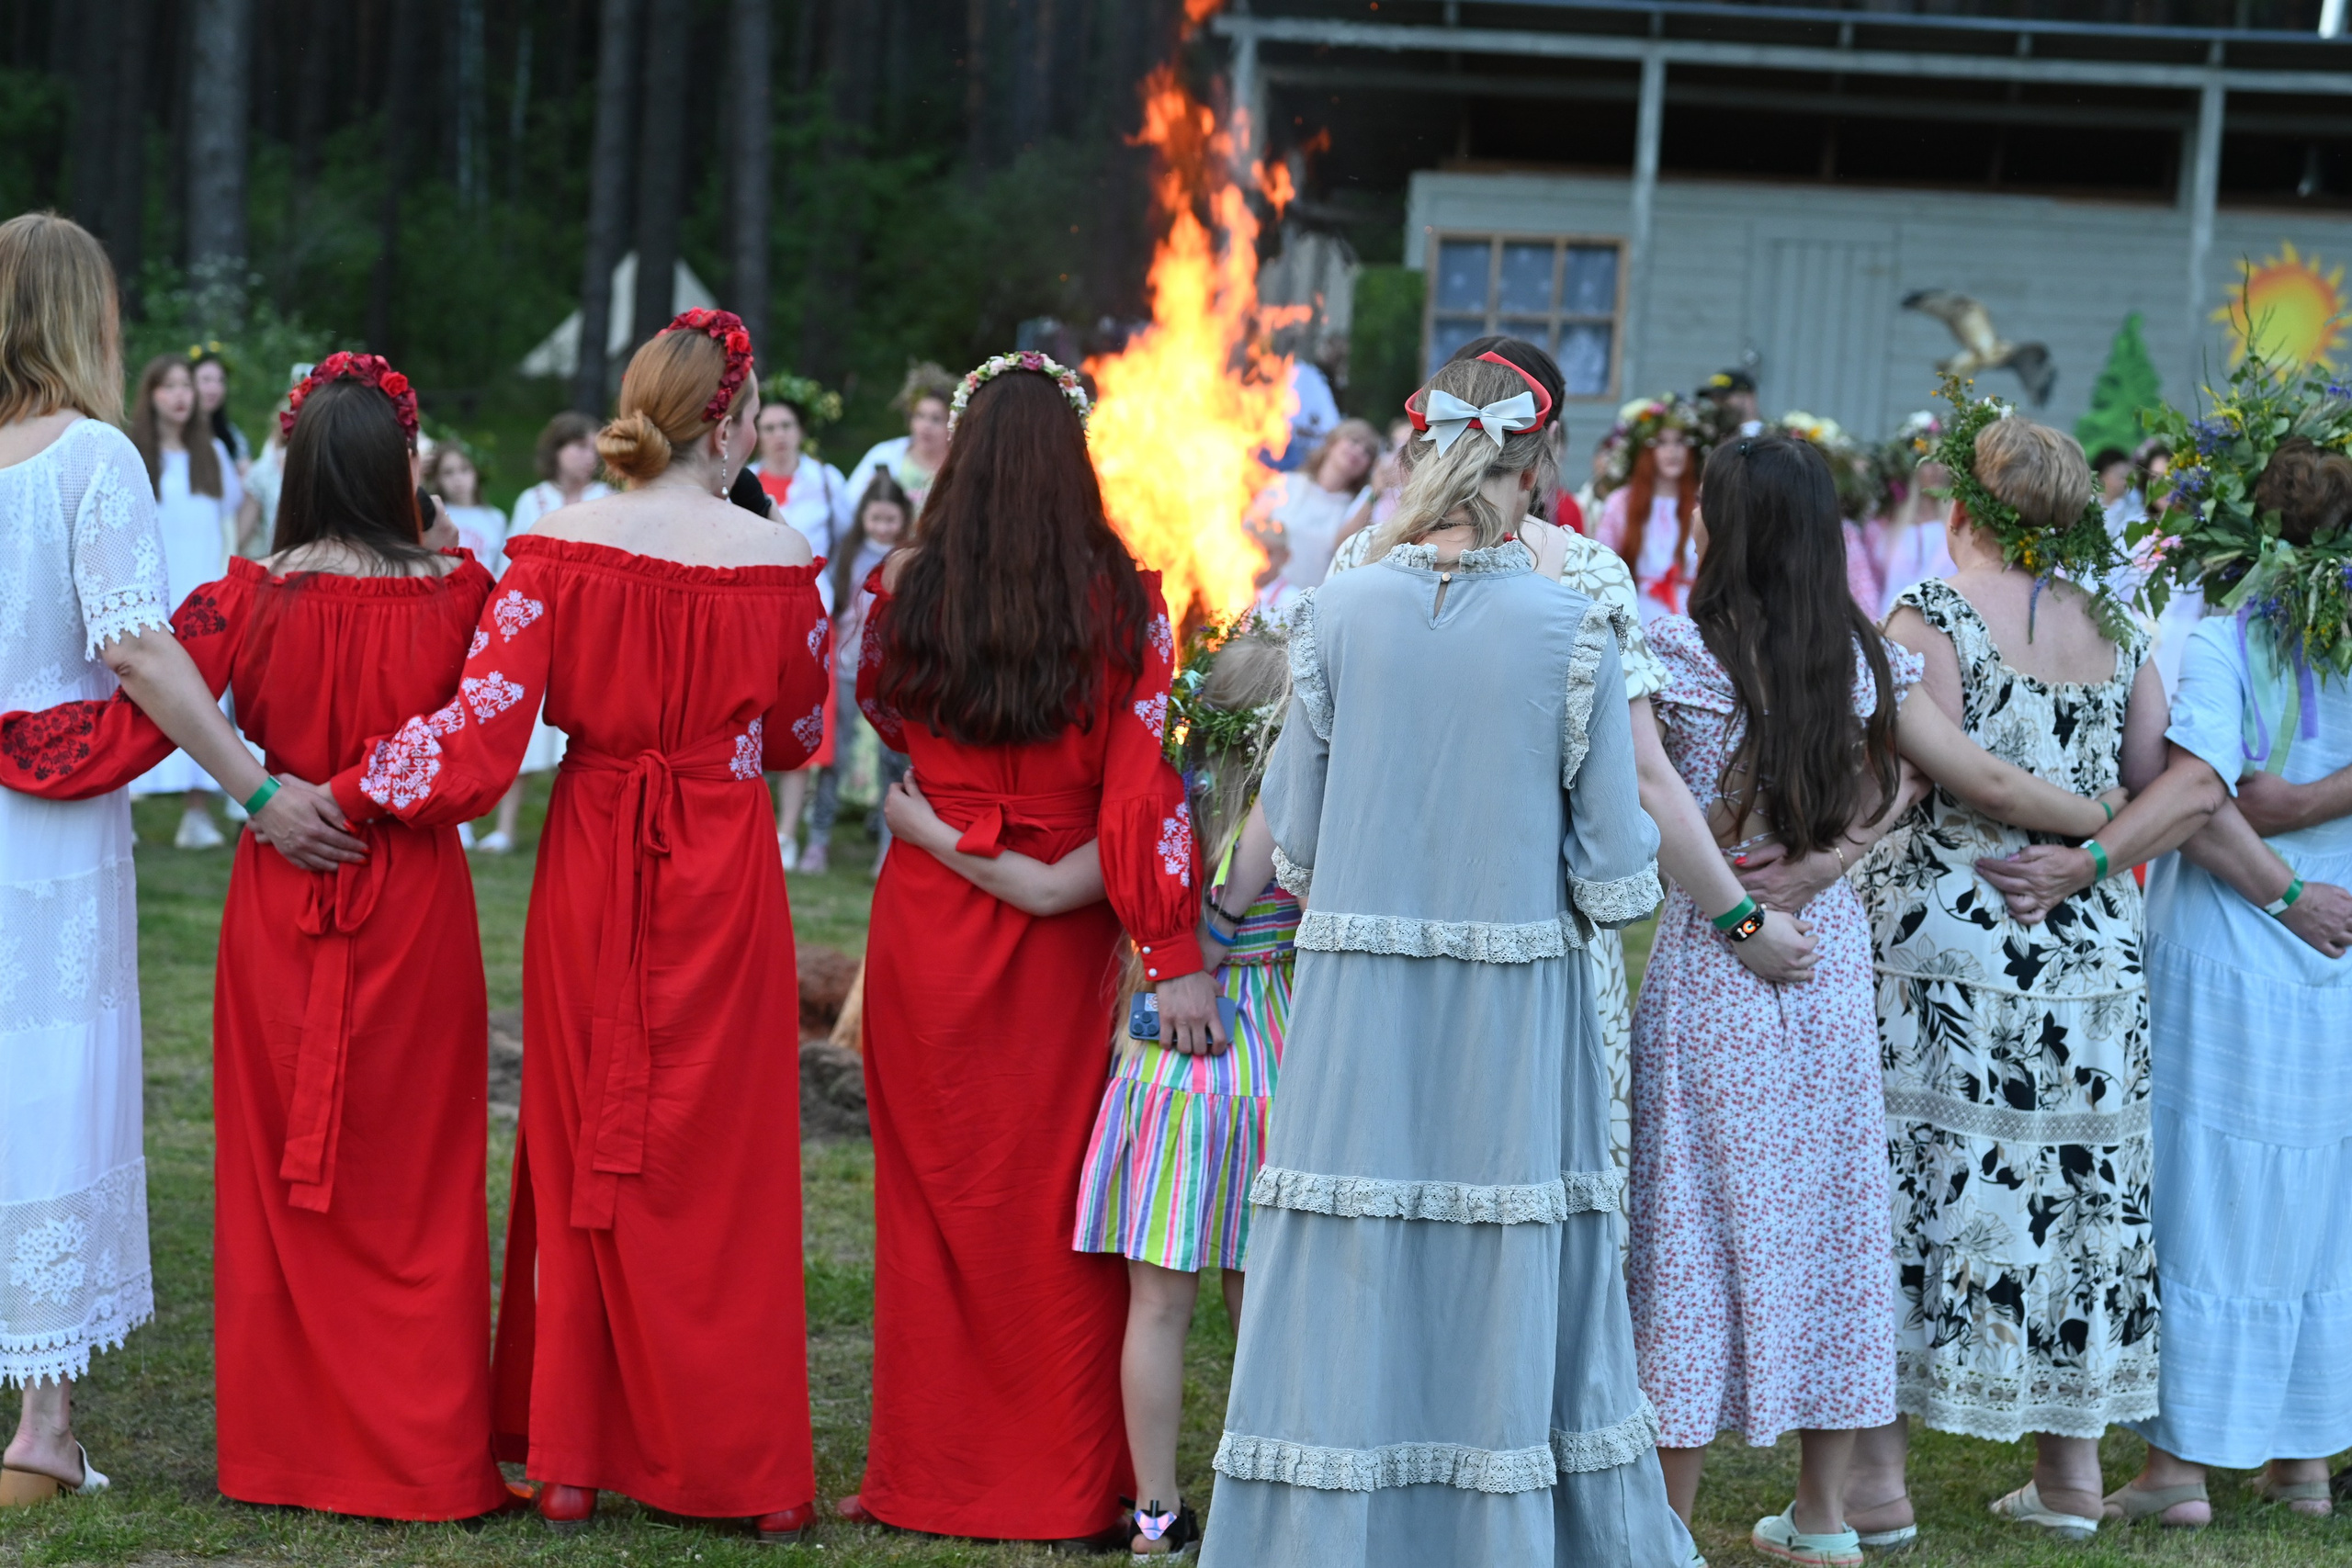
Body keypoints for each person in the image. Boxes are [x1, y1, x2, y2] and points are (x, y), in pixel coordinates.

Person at [321, 310, 828, 1540]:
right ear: (735, 414)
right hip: (720, 852)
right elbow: (803, 732)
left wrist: (344, 788)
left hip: (599, 849)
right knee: (725, 1152)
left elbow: (485, 729)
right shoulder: (786, 557)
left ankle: (570, 1457)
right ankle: (744, 1466)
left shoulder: (554, 547)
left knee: (580, 1132)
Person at [1, 355, 520, 1518]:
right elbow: (489, 747)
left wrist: (11, 736)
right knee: (423, 1174)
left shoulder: (242, 596)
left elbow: (120, 731)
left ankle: (285, 1451)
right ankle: (427, 1456)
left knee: (277, 1179)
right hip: (413, 900)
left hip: (282, 895)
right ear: (402, 466)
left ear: (289, 463)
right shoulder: (467, 594)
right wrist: (373, 794)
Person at [1198, 354, 1692, 1568]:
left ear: (1418, 459)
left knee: (1357, 1255)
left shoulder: (1335, 607)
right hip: (1512, 991)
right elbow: (1619, 865)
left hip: (1360, 995)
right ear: (1541, 463)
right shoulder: (1573, 622)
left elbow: (1298, 835)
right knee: (1499, 1257)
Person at [1629, 434, 2123, 1565]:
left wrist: (1748, 893)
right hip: (1831, 958)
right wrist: (1831, 862)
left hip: (1722, 951)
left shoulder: (1675, 648)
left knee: (1692, 1226)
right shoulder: (1858, 658)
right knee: (1837, 1221)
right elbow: (1900, 784)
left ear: (1717, 524)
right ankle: (1821, 1519)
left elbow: (1655, 813)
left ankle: (1660, 1525)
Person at [0, 212, 349, 1508]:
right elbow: (139, 648)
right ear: (85, 317)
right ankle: (41, 1424)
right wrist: (255, 785)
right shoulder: (94, 456)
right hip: (40, 825)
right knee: (43, 1065)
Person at [846, 353, 1209, 1547]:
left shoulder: (905, 589)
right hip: (1062, 939)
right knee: (1062, 1208)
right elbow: (1145, 794)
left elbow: (886, 724)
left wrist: (933, 826)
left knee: (936, 1205)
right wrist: (1144, 926)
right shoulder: (1126, 603)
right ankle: (1059, 1478)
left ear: (959, 457)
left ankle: (932, 1472)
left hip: (928, 924)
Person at [1849, 405, 2227, 1546]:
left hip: (1959, 939)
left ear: (1969, 499)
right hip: (2094, 946)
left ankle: (1874, 1490)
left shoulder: (1931, 615)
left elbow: (1949, 774)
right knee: (2075, 1201)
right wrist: (2097, 845)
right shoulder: (2117, 621)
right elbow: (2151, 776)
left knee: (1926, 1193)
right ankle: (2068, 1481)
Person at [2074, 438, 2352, 1525]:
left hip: (2244, 935)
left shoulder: (2215, 636)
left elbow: (2202, 795)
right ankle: (2301, 1463)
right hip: (2330, 930)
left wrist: (2289, 850)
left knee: (2210, 1186)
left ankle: (2181, 1468)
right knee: (2311, 1187)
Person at [1080, 624, 1295, 1559]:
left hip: (1159, 1073)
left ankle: (1155, 1513)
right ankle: (1266, 1506)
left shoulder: (1163, 807)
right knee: (1265, 1304)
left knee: (1157, 1308)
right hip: (1271, 1068)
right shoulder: (1294, 812)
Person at [127, 352, 246, 847]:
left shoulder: (213, 454)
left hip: (202, 594)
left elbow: (237, 513)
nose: (180, 395)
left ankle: (196, 813)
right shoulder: (132, 454)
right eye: (168, 386)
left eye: (185, 386)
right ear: (150, 394)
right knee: (140, 695)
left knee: (204, 695)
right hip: (153, 592)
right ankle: (124, 816)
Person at [479, 411, 610, 853]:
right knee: (528, 728)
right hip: (541, 628)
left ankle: (582, 832)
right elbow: (511, 568)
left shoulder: (607, 498)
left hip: (593, 634)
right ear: (557, 451)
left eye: (594, 446)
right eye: (579, 446)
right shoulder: (533, 501)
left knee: (588, 735)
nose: (588, 456)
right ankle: (506, 827)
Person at [792, 474, 913, 876]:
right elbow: (839, 602)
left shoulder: (909, 559)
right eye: (875, 518)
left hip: (891, 675)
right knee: (833, 756)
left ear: (904, 519)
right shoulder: (848, 553)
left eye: (890, 520)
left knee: (892, 762)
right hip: (845, 671)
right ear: (863, 517)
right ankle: (819, 842)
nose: (881, 527)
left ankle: (887, 849)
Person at [1595, 399, 1701, 626]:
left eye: (1680, 442)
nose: (1672, 451)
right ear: (1644, 450)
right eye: (1661, 442)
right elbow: (1602, 565)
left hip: (1691, 617)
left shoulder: (1702, 503)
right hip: (1637, 615)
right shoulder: (1621, 502)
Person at [1244, 418, 1378, 590]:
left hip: (1304, 604)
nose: (1359, 450)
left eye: (1368, 452)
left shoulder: (1354, 511)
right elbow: (1248, 527)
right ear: (1332, 443)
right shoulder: (1287, 483)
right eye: (1354, 441)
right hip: (1257, 592)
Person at [844, 362, 955, 515]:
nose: (926, 426)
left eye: (936, 419)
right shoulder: (883, 455)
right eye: (920, 416)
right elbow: (848, 505)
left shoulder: (959, 464)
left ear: (951, 423)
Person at [422, 443, 508, 572]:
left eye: (465, 469)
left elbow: (502, 566)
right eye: (448, 472)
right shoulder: (435, 514)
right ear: (437, 479)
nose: (458, 479)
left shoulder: (495, 518)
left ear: (477, 473)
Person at [191, 345, 252, 474]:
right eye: (206, 380)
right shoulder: (175, 433)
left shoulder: (233, 436)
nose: (214, 389)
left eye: (220, 381)